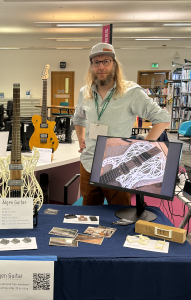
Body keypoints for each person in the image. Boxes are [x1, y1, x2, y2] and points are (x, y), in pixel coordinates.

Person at [73, 42, 170, 206]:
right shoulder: (85, 92)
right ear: (91, 66)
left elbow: (162, 118)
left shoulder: (131, 92)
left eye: (106, 61)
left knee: (120, 216)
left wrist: (143, 147)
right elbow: (78, 118)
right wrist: (81, 137)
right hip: (88, 162)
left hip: (118, 167)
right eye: (96, 62)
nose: (101, 66)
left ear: (114, 64)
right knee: (88, 214)